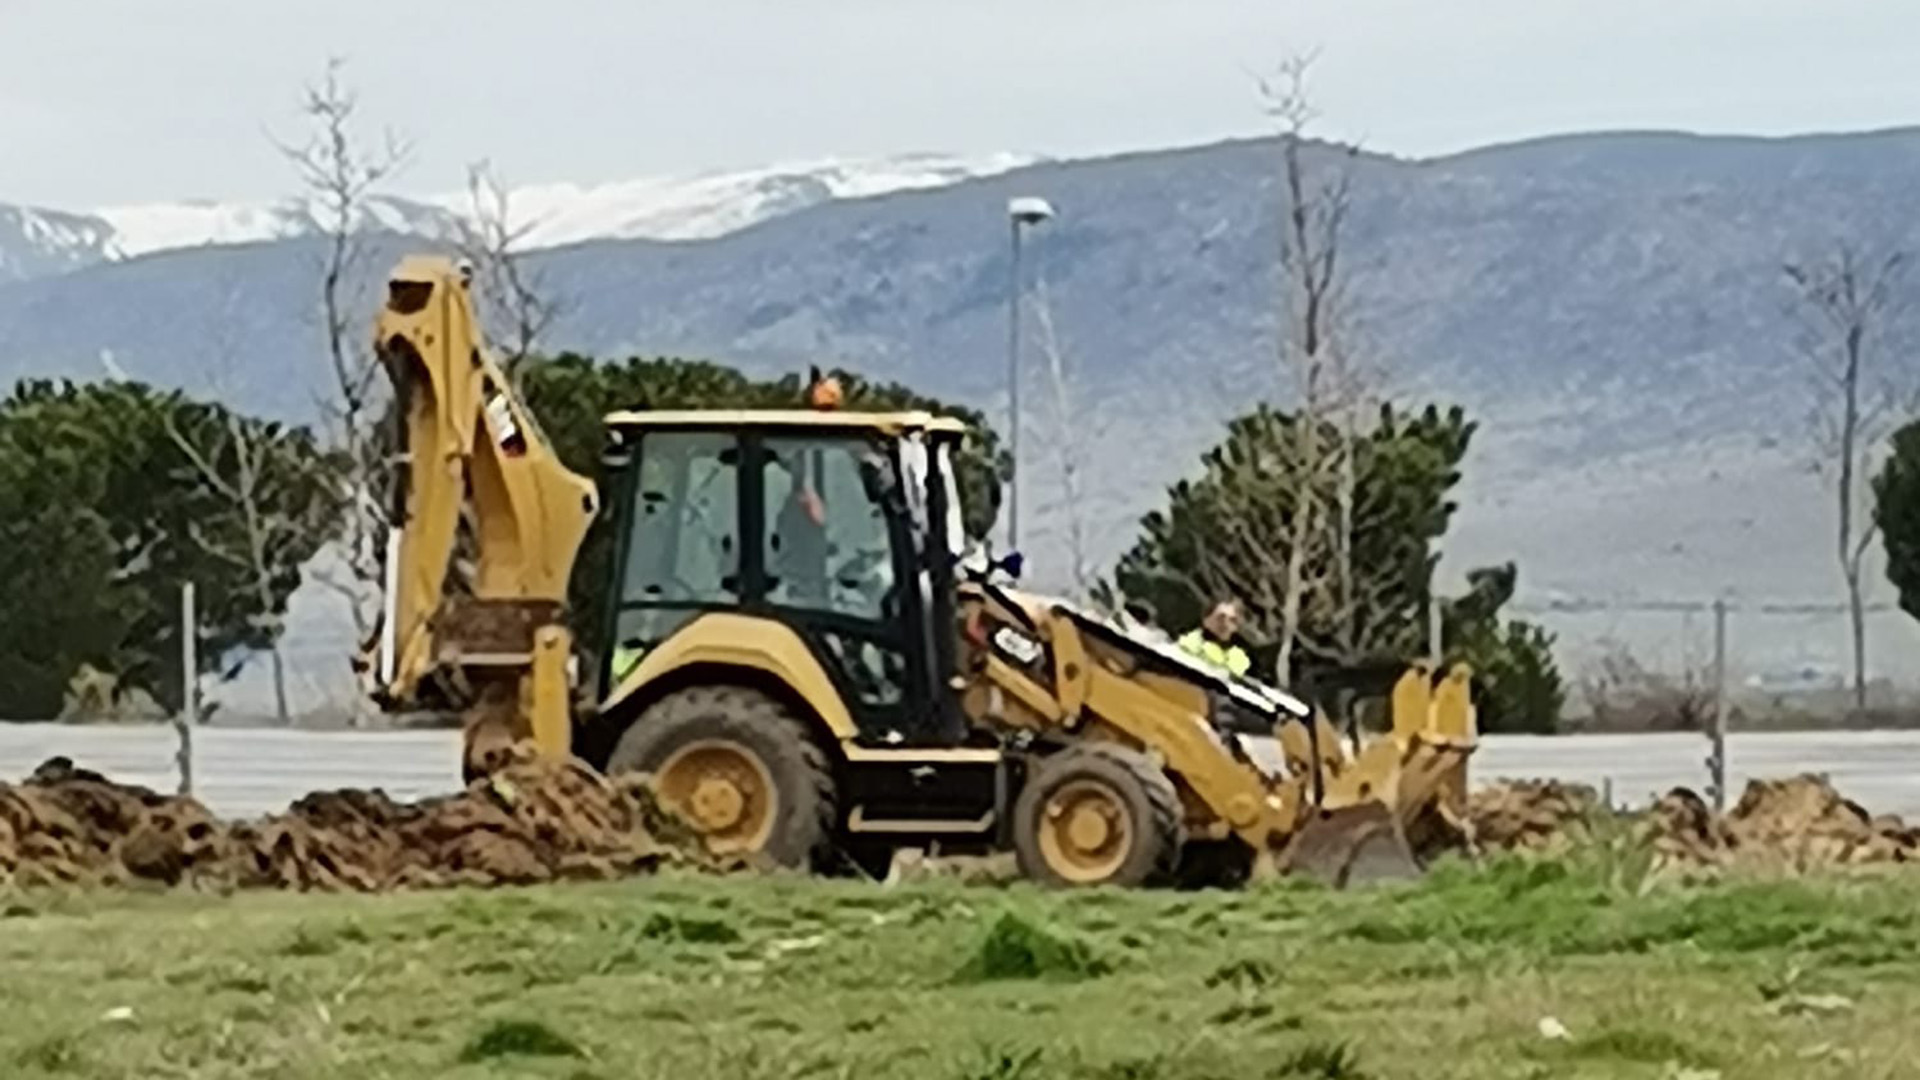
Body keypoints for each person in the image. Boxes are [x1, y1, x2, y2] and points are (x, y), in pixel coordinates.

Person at [1178, 599, 1251, 678]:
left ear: (1236, 628)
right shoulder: (1187, 644)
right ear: (1206, 619)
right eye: (1221, 617)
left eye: (1232, 620)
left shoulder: (1240, 660)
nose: (1225, 624)